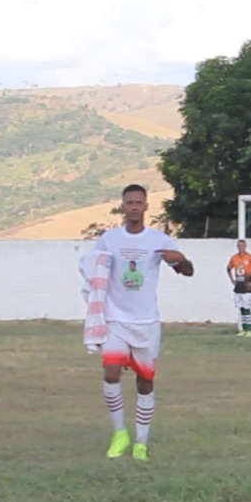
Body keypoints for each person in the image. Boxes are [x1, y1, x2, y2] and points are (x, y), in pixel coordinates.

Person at [93, 184, 193, 461]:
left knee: (144, 383)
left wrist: (180, 260)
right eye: (129, 202)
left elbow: (188, 271)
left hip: (147, 323)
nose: (134, 207)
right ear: (122, 206)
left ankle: (141, 442)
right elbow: (93, 270)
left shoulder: (158, 241)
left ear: (147, 206)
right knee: (111, 374)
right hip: (116, 320)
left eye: (139, 202)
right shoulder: (109, 240)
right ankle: (119, 433)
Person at [226, 239, 251, 337]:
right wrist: (232, 280)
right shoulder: (234, 258)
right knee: (241, 308)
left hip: (247, 288)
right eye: (239, 246)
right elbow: (228, 269)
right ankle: (244, 329)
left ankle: (249, 329)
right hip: (238, 287)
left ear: (245, 246)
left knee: (247, 308)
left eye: (242, 245)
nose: (241, 247)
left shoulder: (250, 258)